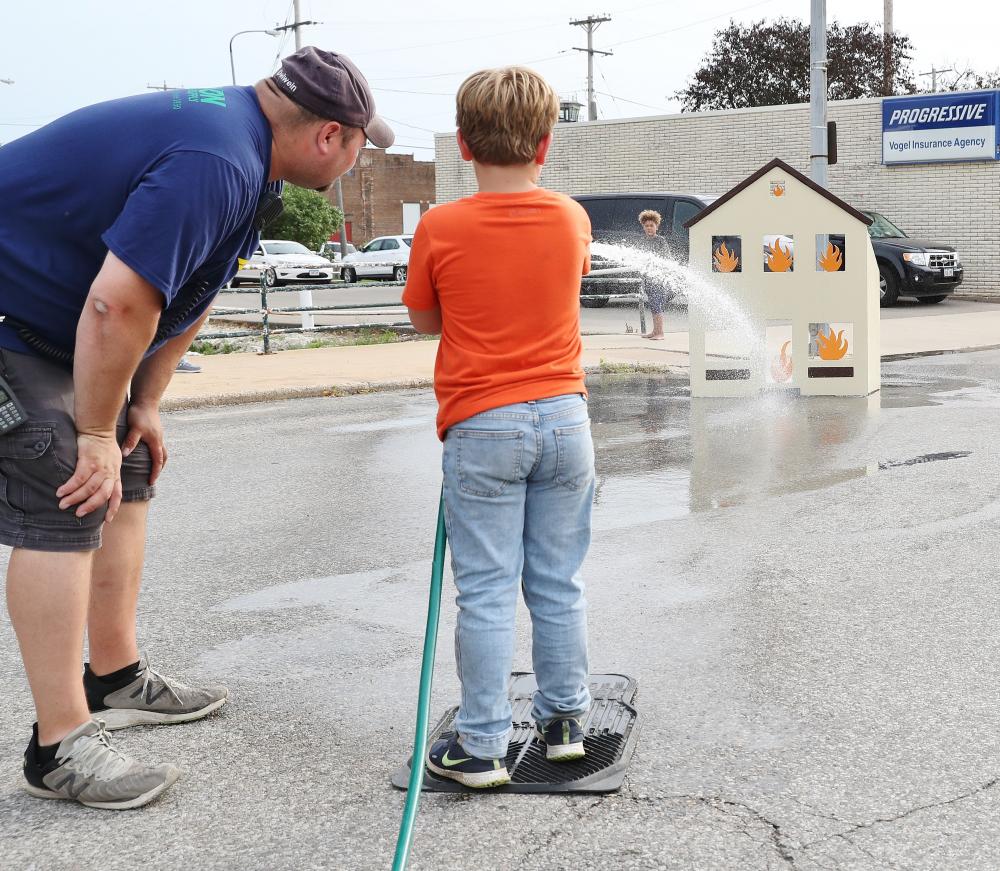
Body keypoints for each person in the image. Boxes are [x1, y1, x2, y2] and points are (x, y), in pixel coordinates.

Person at [0, 46, 392, 809]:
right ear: (328, 136)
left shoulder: (249, 157)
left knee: (129, 463)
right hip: (16, 318)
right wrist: (87, 433)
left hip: (59, 323)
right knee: (66, 479)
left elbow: (195, 287)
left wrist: (141, 405)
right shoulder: (215, 160)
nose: (355, 163)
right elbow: (118, 303)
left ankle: (112, 674)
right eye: (358, 147)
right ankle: (59, 745)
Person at [403, 67, 595, 789]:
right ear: (546, 143)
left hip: (483, 423)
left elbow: (425, 317)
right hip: (565, 417)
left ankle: (480, 745)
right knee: (558, 580)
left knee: (484, 588)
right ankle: (566, 720)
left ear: (462, 144)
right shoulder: (569, 216)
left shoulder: (439, 225)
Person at [634, 209, 673, 340]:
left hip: (658, 279)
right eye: (646, 226)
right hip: (647, 279)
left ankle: (660, 333)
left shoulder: (661, 241)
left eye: (652, 225)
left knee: (657, 304)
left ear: (657, 226)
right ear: (643, 227)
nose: (649, 228)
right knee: (652, 304)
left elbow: (667, 259)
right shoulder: (642, 241)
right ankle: (655, 331)